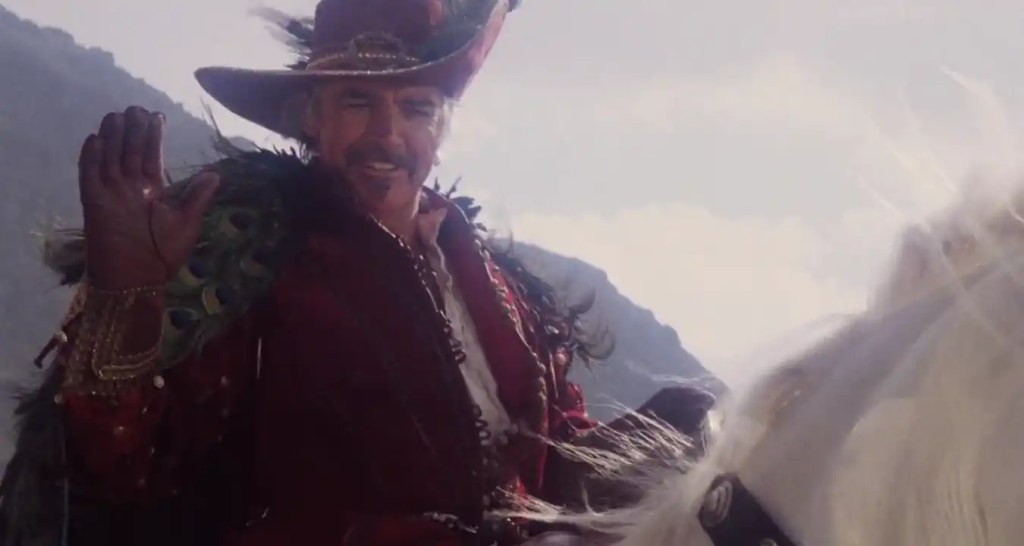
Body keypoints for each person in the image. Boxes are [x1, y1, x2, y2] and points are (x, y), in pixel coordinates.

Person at [0, 1, 715, 545]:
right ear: (310, 119)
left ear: (441, 128)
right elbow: (126, 469)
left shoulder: (499, 284)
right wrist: (128, 298)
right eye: (357, 102)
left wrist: (677, 444)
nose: (386, 133)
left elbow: (553, 458)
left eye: (415, 107)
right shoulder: (259, 260)